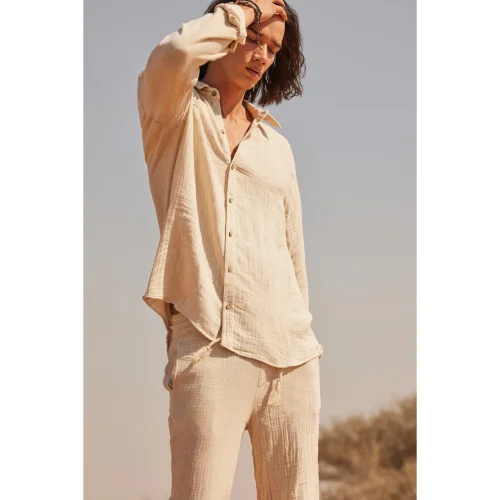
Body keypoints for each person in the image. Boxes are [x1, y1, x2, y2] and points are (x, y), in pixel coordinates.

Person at [136, 1, 323, 498]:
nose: (261, 55)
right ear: (225, 31)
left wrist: (303, 333)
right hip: (209, 342)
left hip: (290, 357)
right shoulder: (174, 113)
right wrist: (247, 9)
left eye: (273, 49)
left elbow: (293, 252)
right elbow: (177, 50)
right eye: (253, 39)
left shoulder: (276, 146)